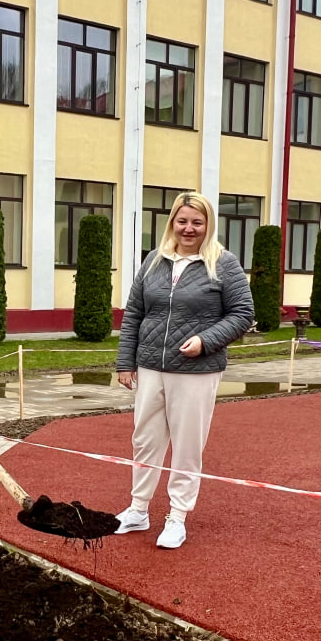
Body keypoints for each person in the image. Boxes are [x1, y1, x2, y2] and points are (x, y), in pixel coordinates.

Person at [113, 191, 255, 549]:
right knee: (144, 440)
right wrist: (125, 362)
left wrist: (206, 341)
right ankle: (138, 509)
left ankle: (177, 517)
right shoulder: (153, 260)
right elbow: (134, 313)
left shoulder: (224, 263)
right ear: (172, 223)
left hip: (196, 370)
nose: (189, 229)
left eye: (197, 222)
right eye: (182, 221)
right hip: (150, 367)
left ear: (208, 225)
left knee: (187, 445)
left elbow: (243, 313)